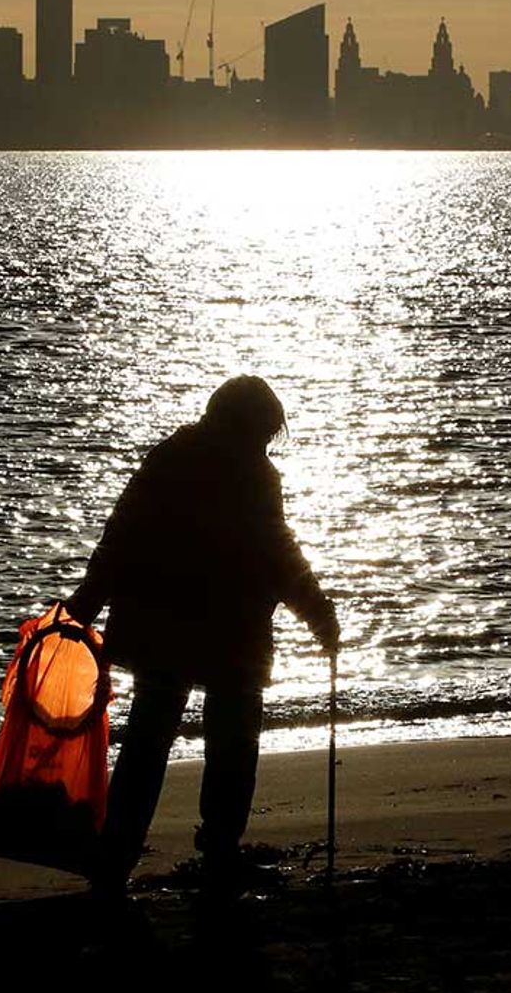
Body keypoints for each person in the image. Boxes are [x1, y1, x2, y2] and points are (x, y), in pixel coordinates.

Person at [65, 375, 340, 898]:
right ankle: (218, 851)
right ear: (253, 427)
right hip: (230, 635)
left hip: (161, 630)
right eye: (263, 433)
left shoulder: (167, 459)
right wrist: (318, 613)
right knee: (232, 744)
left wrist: (85, 603)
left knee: (148, 741)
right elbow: (278, 555)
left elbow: (121, 537)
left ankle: (116, 857)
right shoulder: (255, 475)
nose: (265, 444)